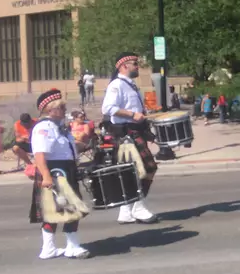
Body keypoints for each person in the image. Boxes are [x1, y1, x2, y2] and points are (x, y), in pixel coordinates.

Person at [29, 89, 90, 260]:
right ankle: (72, 246)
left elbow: (64, 149)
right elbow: (39, 154)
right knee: (69, 208)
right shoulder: (43, 128)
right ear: (50, 109)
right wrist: (47, 176)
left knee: (54, 210)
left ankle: (48, 249)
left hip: (66, 169)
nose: (65, 110)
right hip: (56, 172)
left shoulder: (59, 127)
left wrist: (84, 145)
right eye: (61, 107)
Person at [101, 52, 159, 224]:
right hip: (126, 134)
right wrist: (132, 114)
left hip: (135, 131)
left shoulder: (131, 85)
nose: (137, 66)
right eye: (134, 63)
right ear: (124, 65)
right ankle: (138, 207)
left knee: (130, 172)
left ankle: (126, 210)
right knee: (148, 168)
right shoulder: (117, 85)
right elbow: (108, 108)